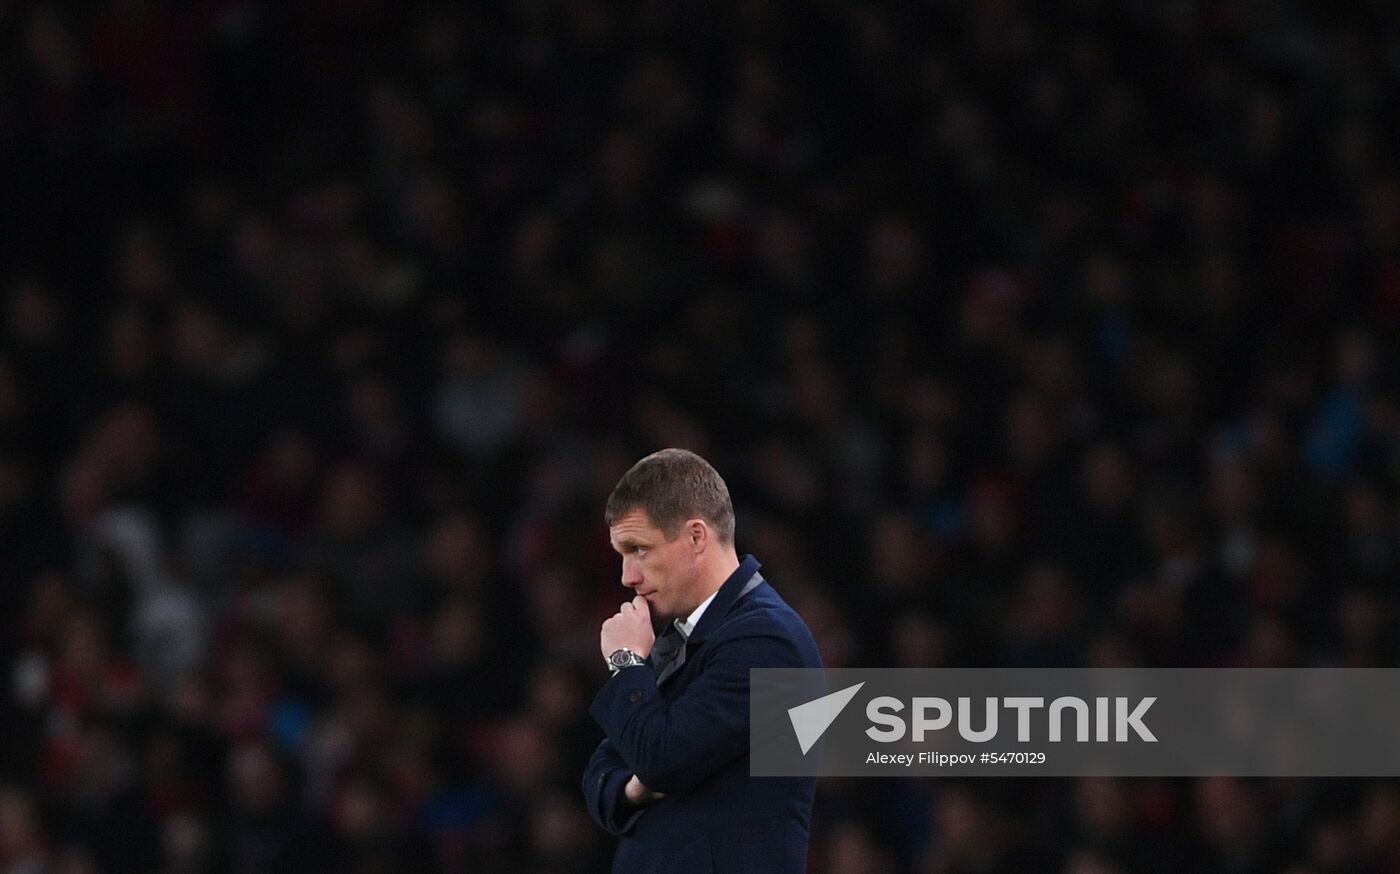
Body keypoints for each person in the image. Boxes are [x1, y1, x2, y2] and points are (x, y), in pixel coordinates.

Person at [582, 448, 823, 873]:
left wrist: (624, 661)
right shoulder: (678, 636)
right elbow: (601, 774)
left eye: (639, 549)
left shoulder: (767, 639)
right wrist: (634, 790)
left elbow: (658, 759)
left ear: (696, 537)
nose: (627, 576)